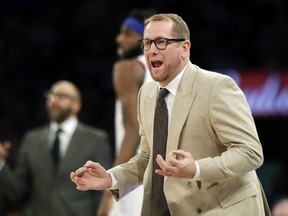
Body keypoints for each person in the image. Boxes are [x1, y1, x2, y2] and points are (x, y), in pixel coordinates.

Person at [70, 13, 271, 216]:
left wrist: (197, 169)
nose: (152, 51)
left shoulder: (216, 87)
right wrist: (111, 178)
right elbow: (149, 158)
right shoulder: (146, 94)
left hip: (224, 208)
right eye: (147, 43)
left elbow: (250, 152)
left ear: (184, 48)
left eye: (161, 42)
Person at [0, 80, 112, 216]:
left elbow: (102, 191)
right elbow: (16, 190)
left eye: (62, 96)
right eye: (51, 96)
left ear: (76, 105)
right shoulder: (31, 139)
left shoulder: (96, 139)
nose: (54, 101)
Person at [97, 8, 156, 216]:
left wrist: (109, 192)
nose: (119, 39)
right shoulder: (166, 72)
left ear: (145, 40)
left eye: (128, 34)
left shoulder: (127, 68)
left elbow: (132, 133)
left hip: (134, 177)